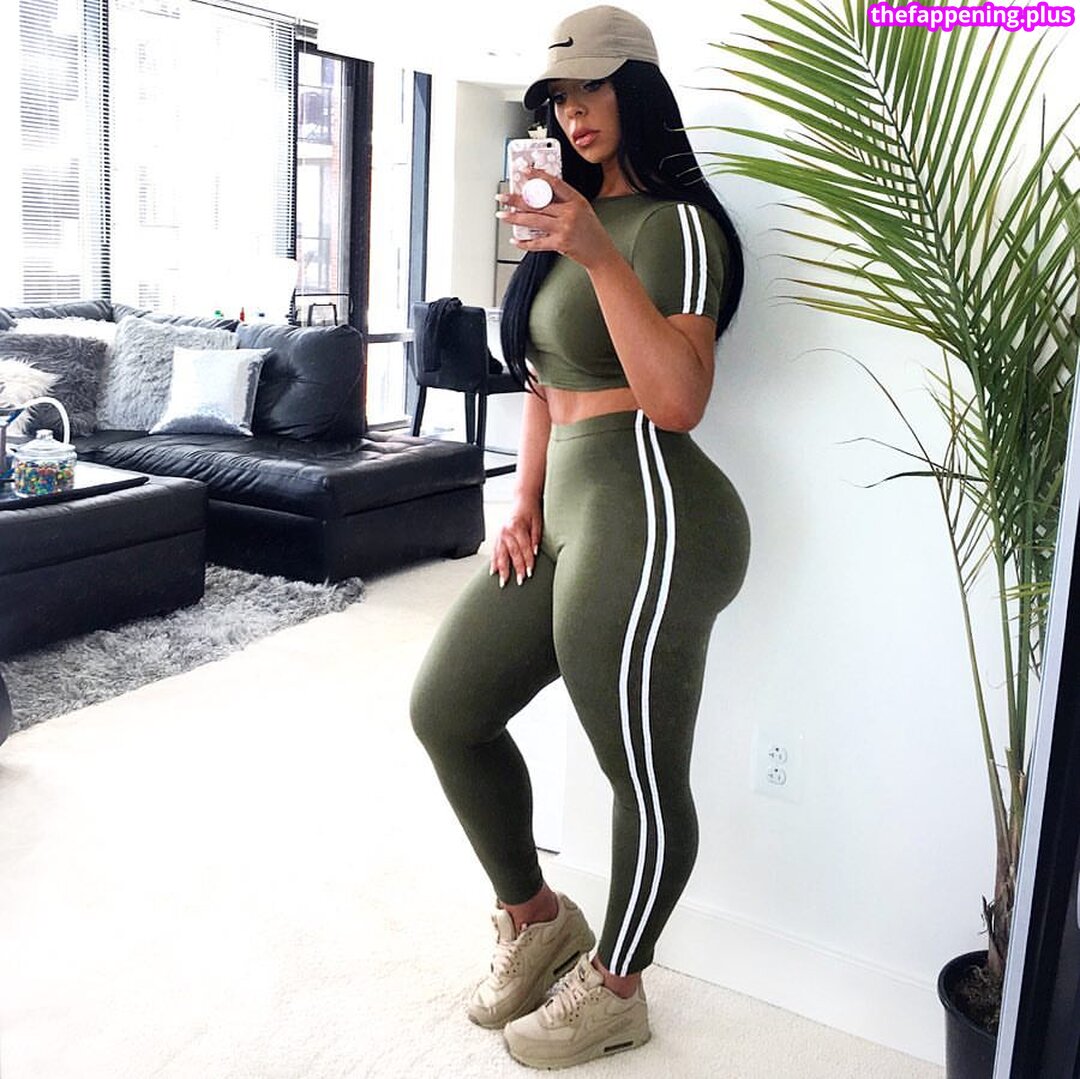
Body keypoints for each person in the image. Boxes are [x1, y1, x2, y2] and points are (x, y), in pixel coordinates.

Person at [410, 4, 751, 1069]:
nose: (573, 111)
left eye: (591, 87)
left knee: (638, 773)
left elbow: (679, 400)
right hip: (562, 505)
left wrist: (600, 254)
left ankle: (618, 988)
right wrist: (522, 501)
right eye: (557, 97)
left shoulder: (674, 228)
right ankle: (540, 917)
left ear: (636, 87)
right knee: (446, 709)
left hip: (652, 507)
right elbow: (543, 380)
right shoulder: (563, 221)